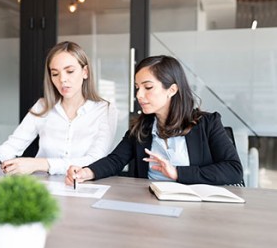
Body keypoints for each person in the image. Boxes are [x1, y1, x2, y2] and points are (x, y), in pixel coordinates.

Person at [66, 55, 244, 186]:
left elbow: (233, 170)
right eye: (137, 88)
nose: (139, 95)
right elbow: (115, 160)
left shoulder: (208, 123)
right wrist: (86, 172)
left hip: (197, 211)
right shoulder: (141, 128)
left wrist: (177, 173)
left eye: (148, 87)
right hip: (149, 207)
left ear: (172, 90)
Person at [0, 41, 118, 175]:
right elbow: (11, 148)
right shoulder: (42, 106)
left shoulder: (105, 110)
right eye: (55, 74)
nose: (62, 79)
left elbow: (96, 160)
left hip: (84, 188)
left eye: (69, 71)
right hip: (44, 189)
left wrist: (40, 164)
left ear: (85, 72)